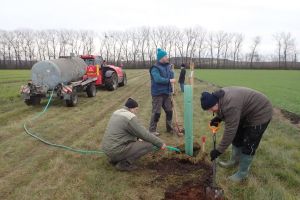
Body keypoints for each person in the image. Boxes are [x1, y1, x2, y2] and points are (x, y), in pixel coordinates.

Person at [200, 86, 273, 182]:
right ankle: (234, 161)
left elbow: (230, 130)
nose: (211, 111)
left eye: (211, 108)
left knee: (249, 143)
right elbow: (222, 109)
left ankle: (243, 173)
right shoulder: (218, 97)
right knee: (237, 137)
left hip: (260, 112)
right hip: (245, 112)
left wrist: (219, 150)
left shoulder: (231, 105)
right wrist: (218, 118)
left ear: (215, 102)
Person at [100, 98, 166, 171]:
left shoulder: (117, 112)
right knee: (149, 145)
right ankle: (124, 164)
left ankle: (114, 160)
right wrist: (160, 143)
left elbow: (127, 132)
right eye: (136, 109)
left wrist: (137, 139)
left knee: (135, 142)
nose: (136, 112)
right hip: (115, 151)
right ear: (131, 109)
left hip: (107, 149)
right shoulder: (129, 117)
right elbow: (144, 134)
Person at [149, 48, 176, 136]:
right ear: (161, 57)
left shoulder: (168, 66)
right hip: (158, 93)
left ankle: (169, 128)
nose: (167, 57)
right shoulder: (155, 68)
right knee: (156, 112)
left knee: (169, 111)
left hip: (167, 93)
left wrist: (171, 72)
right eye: (165, 56)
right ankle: (152, 130)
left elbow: (171, 77)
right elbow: (157, 79)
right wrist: (169, 80)